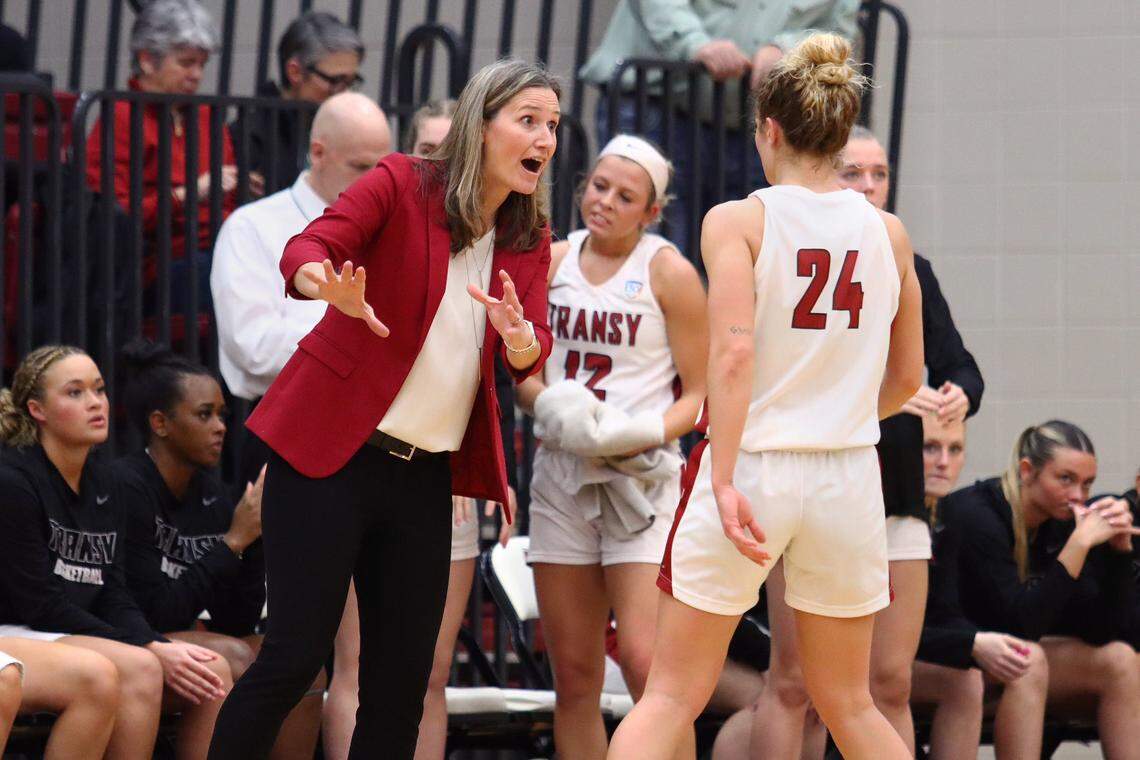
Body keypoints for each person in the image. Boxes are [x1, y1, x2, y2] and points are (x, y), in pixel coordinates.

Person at [206, 58, 560, 759]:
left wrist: (519, 336)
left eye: (553, 125)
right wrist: (325, 287)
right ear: (480, 126)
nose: (545, 139)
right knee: (294, 658)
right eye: (528, 121)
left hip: (423, 476)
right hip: (330, 456)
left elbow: (532, 351)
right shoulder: (402, 182)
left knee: (402, 686)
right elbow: (308, 246)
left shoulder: (527, 234)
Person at [607, 32, 922, 760]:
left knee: (670, 697)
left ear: (768, 130)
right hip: (848, 475)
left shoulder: (737, 219)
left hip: (753, 464)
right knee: (851, 705)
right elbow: (908, 378)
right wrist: (839, 418)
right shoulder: (890, 233)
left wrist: (721, 476)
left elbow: (734, 352)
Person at [753, 124, 987, 757]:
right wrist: (887, 393)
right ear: (824, 170)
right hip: (808, 475)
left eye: (879, 174)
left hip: (893, 490)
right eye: (853, 172)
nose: (868, 185)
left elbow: (959, 365)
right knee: (794, 682)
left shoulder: (905, 257)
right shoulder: (779, 244)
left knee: (889, 682)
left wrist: (958, 394)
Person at [317, 97, 517, 760]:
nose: (445, 166)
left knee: (427, 672)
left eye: (455, 152)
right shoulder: (387, 219)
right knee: (357, 665)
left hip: (442, 470)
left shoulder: (501, 235)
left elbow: (492, 370)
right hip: (362, 458)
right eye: (431, 153)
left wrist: (477, 465)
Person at [512, 134, 707, 760]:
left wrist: (643, 432)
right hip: (563, 472)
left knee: (650, 669)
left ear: (651, 212)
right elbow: (522, 370)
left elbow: (700, 392)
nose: (606, 202)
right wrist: (553, 408)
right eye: (600, 187)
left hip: (641, 478)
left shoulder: (669, 271)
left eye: (626, 197)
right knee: (574, 676)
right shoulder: (553, 261)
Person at [0, 345, 232, 759]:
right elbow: (39, 603)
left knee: (209, 669)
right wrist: (147, 646)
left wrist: (150, 641)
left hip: (67, 631)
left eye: (99, 389)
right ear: (37, 410)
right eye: (75, 392)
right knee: (139, 666)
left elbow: (113, 591)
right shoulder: (16, 481)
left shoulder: (106, 483)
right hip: (17, 628)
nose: (95, 402)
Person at [114, 341, 323, 760]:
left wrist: (255, 539)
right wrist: (233, 542)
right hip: (131, 638)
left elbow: (236, 619)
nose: (220, 427)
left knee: (302, 663)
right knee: (229, 656)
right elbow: (154, 612)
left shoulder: (212, 496)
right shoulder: (126, 487)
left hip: (181, 634)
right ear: (160, 423)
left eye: (222, 415)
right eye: (204, 414)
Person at [579, 0, 858, 255]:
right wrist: (695, 43)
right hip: (657, 98)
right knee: (654, 252)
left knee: (745, 251)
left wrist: (787, 50)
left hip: (753, 124)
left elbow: (839, 31)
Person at [211, 92, 392, 482]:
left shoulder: (391, 228)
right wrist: (352, 342)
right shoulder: (252, 226)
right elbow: (253, 347)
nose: (375, 182)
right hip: (285, 423)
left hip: (381, 429)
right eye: (361, 167)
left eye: (382, 169)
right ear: (318, 153)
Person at [948, 420, 1140, 758]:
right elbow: (1020, 625)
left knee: (1120, 659)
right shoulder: (979, 516)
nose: (1078, 496)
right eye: (1065, 479)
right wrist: (1077, 547)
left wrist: (1119, 552)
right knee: (1028, 660)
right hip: (952, 652)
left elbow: (1103, 630)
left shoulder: (1060, 521)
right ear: (1027, 471)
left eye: (1087, 483)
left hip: (1012, 655)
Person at [84, 0, 238, 342]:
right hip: (153, 266)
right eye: (185, 62)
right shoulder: (122, 116)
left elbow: (226, 203)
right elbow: (112, 216)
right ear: (146, 60)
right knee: (219, 273)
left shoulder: (206, 116)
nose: (196, 74)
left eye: (202, 64)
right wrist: (187, 195)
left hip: (211, 250)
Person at [910, 415, 1049, 760]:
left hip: (909, 653)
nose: (944, 462)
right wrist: (971, 643)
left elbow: (945, 612)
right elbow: (883, 636)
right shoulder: (887, 517)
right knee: (964, 680)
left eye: (955, 449)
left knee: (1023, 660)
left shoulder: (942, 514)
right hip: (854, 662)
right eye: (930, 448)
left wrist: (976, 641)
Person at [230, 11, 365, 191]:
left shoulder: (347, 128)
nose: (345, 92)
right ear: (295, 72)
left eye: (351, 82)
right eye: (336, 81)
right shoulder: (252, 132)